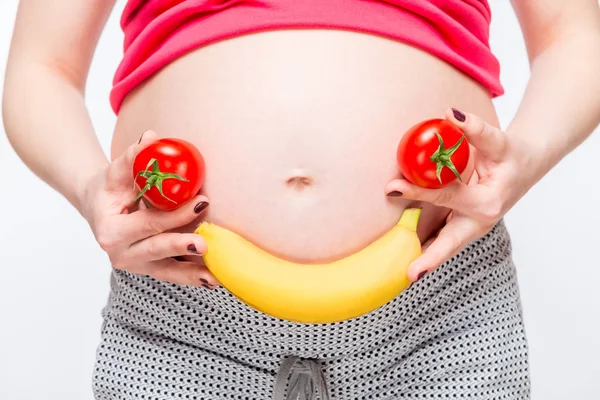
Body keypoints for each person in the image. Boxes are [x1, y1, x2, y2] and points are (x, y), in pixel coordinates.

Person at [3, 0, 600, 399]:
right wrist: (88, 189)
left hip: (438, 306)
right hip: (183, 303)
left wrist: (527, 155)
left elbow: (576, 38)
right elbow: (41, 65)